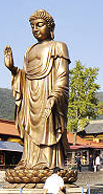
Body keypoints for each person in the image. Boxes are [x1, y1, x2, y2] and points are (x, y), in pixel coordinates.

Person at [4, 9, 70, 170]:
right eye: (32, 26)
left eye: (39, 25)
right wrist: (13, 69)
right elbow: (25, 75)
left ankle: (48, 162)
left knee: (47, 126)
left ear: (50, 27)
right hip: (30, 94)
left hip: (47, 92)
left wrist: (54, 97)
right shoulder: (30, 49)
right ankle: (29, 161)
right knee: (30, 129)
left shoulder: (59, 46)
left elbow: (62, 75)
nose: (35, 29)